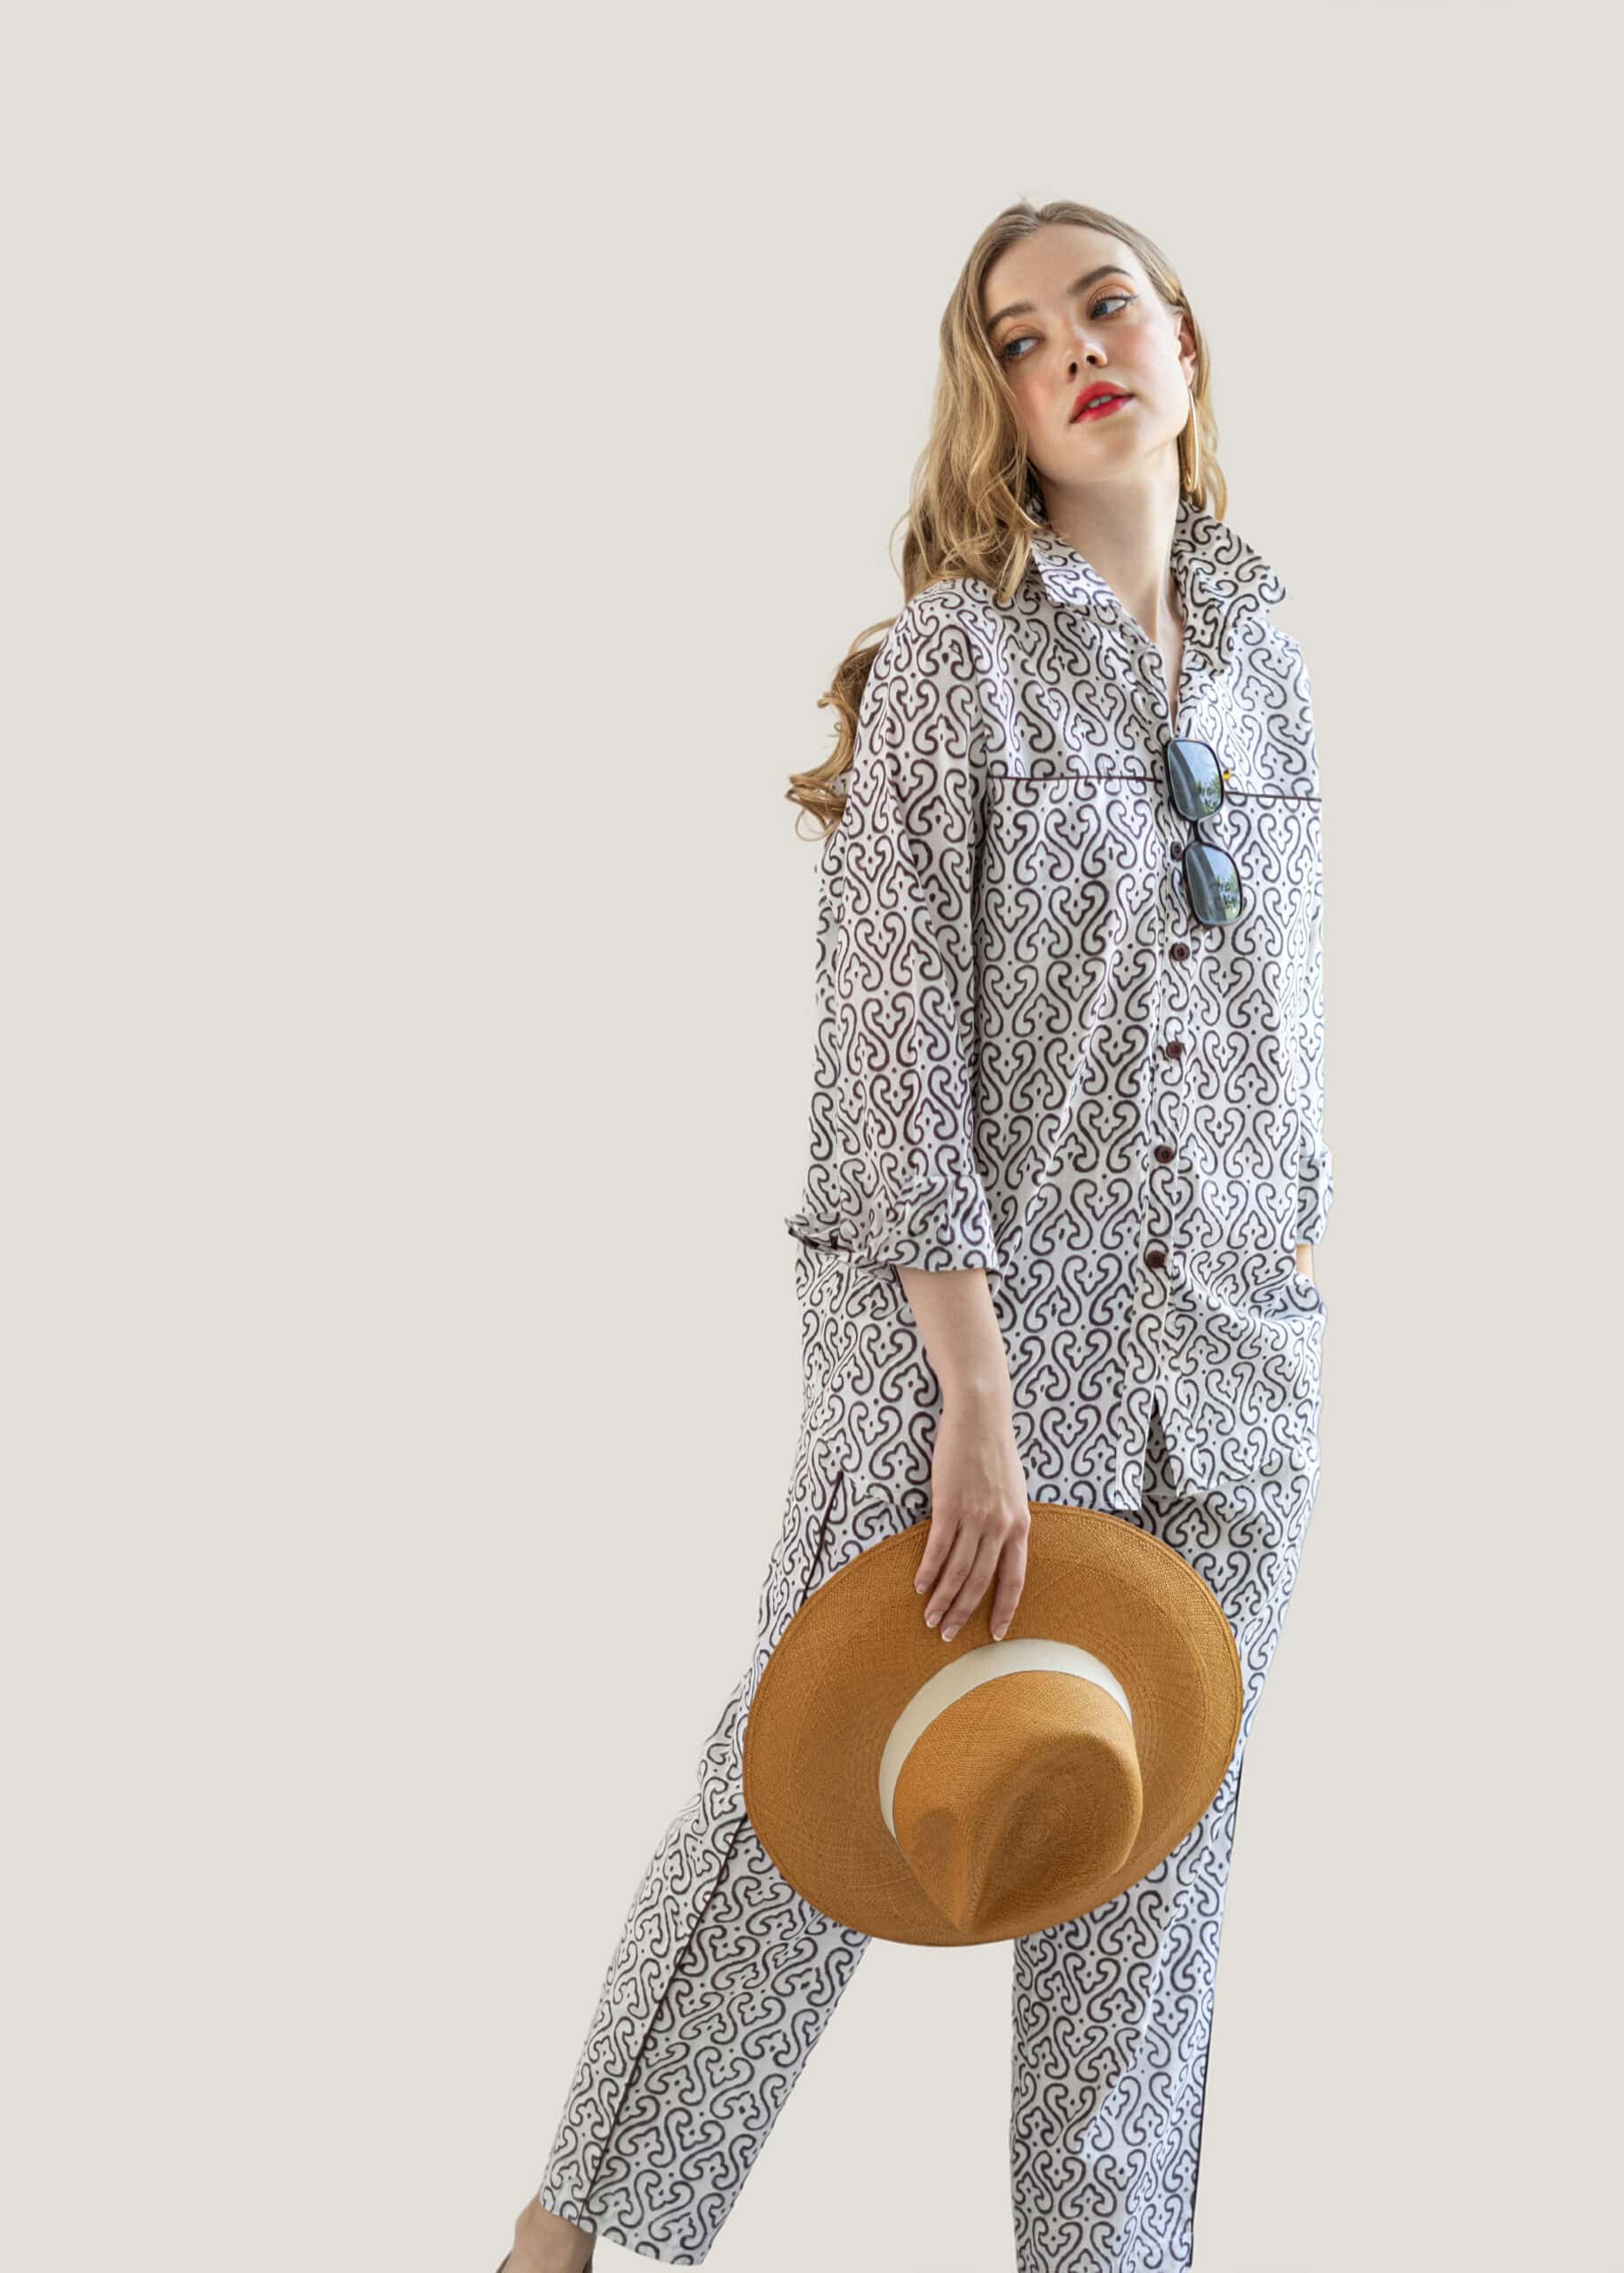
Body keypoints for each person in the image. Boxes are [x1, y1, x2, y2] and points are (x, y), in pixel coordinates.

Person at [498, 195, 1331, 2273]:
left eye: (1106, 306)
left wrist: (1296, 1255)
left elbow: (1283, 1006)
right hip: (968, 1362)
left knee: (1143, 1886)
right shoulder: (961, 656)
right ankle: (564, 2243)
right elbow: (890, 1043)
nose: (1078, 353)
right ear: (997, 406)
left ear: (1183, 339)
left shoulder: (1269, 663)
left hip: (1227, 1372)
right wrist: (970, 1386)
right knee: (797, 1813)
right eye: (1022, 338)